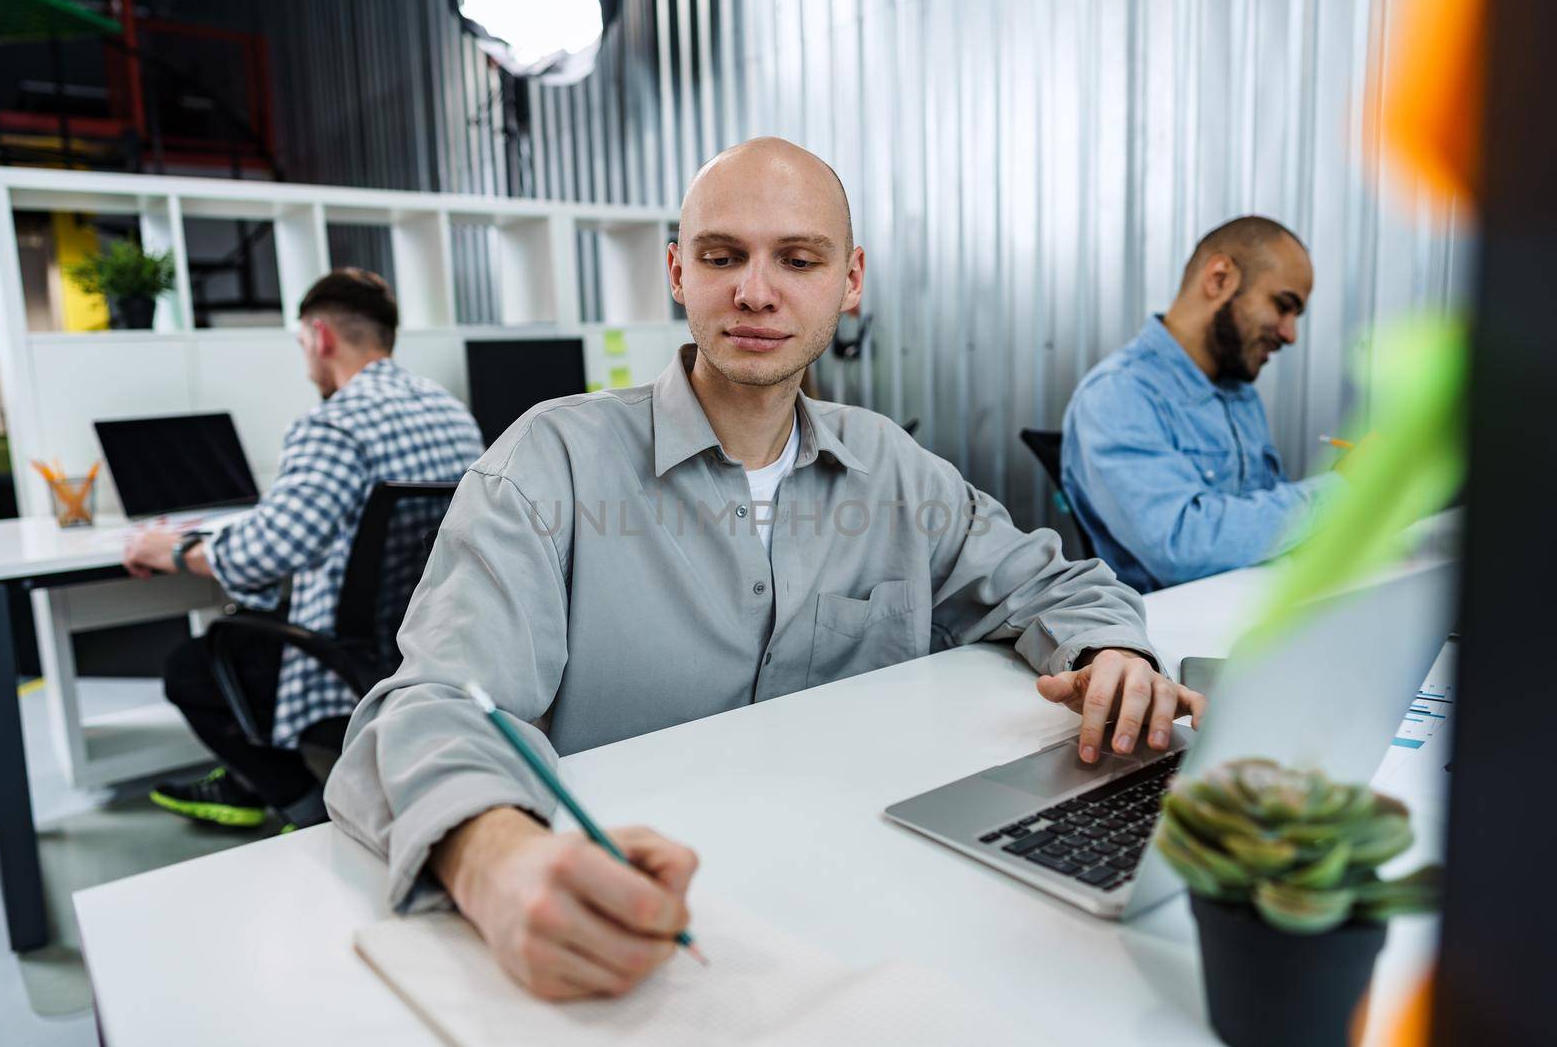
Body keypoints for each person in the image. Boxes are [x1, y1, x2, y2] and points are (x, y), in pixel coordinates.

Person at [326, 138, 1206, 1001]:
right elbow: (430, 704)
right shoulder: (549, 462)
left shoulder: (892, 466)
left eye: (798, 258)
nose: (755, 290)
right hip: (642, 931)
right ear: (677, 272)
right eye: (721, 255)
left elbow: (1055, 583)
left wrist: (1109, 656)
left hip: (875, 905)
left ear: (850, 280)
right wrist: (497, 860)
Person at [122, 268, 484, 830]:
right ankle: (251, 786)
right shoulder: (451, 412)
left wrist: (170, 550)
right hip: (428, 639)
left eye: (301, 346)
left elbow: (265, 551)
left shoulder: (334, 424)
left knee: (189, 668)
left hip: (346, 659)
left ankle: (303, 808)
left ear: (320, 337)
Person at [1060, 216, 1348, 593]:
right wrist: (1342, 490)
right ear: (1220, 279)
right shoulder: (1117, 395)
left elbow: (1269, 531)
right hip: (1171, 639)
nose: (1289, 334)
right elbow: (1181, 546)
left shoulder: (1240, 395)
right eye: (1282, 305)